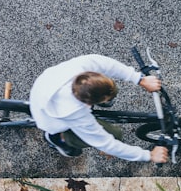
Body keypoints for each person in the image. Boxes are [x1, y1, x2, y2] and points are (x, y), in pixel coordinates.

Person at [29, 54, 168, 162]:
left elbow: (107, 64)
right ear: (88, 104)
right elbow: (106, 144)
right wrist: (148, 155)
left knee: (112, 87)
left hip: (44, 85)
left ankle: (104, 96)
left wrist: (140, 79)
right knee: (115, 134)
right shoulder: (75, 113)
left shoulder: (82, 68)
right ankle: (58, 139)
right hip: (51, 119)